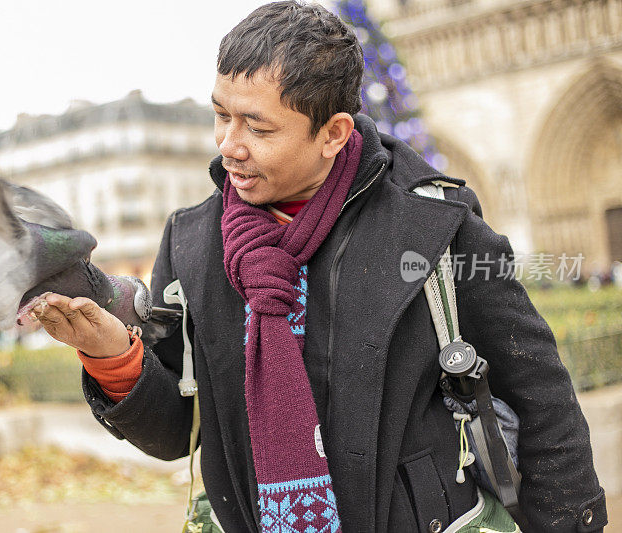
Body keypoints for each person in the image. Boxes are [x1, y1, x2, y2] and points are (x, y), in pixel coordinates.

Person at [31, 2, 606, 531]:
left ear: (333, 133)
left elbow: (541, 397)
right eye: (221, 116)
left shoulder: (438, 226)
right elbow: (184, 430)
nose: (228, 145)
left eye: (257, 127)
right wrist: (115, 360)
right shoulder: (192, 242)